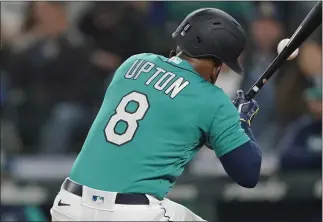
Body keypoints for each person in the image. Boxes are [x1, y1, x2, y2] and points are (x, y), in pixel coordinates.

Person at [50, 8, 262, 221]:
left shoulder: (133, 63)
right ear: (216, 62)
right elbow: (248, 174)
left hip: (69, 205)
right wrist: (241, 123)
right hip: (131, 213)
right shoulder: (212, 99)